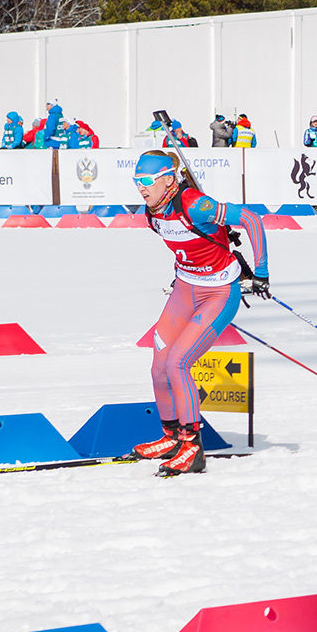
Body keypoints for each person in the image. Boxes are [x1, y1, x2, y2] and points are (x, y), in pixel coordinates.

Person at [130, 149, 270, 477]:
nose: (140, 187)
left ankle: (192, 448)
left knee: (179, 363)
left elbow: (251, 220)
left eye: (147, 180)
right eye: (136, 181)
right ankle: (171, 438)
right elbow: (186, 246)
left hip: (218, 293)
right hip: (184, 289)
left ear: (168, 179)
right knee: (159, 366)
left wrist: (260, 272)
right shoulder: (152, 213)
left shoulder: (195, 204)